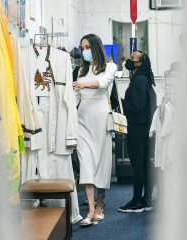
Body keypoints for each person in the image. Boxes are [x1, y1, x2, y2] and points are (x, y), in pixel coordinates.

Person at [73, 34, 117, 226]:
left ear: (97, 47)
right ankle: (90, 210)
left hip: (101, 119)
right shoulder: (81, 69)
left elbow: (103, 83)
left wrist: (83, 83)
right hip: (82, 120)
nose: (85, 51)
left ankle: (100, 204)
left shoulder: (110, 67)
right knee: (86, 164)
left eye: (88, 46)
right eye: (83, 47)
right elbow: (76, 97)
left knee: (101, 163)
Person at [118, 51, 157, 213]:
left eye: (132, 58)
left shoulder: (140, 80)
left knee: (138, 166)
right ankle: (146, 200)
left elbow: (137, 106)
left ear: (139, 63)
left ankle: (136, 202)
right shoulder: (145, 78)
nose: (128, 60)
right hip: (145, 128)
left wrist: (122, 103)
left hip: (137, 128)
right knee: (146, 166)